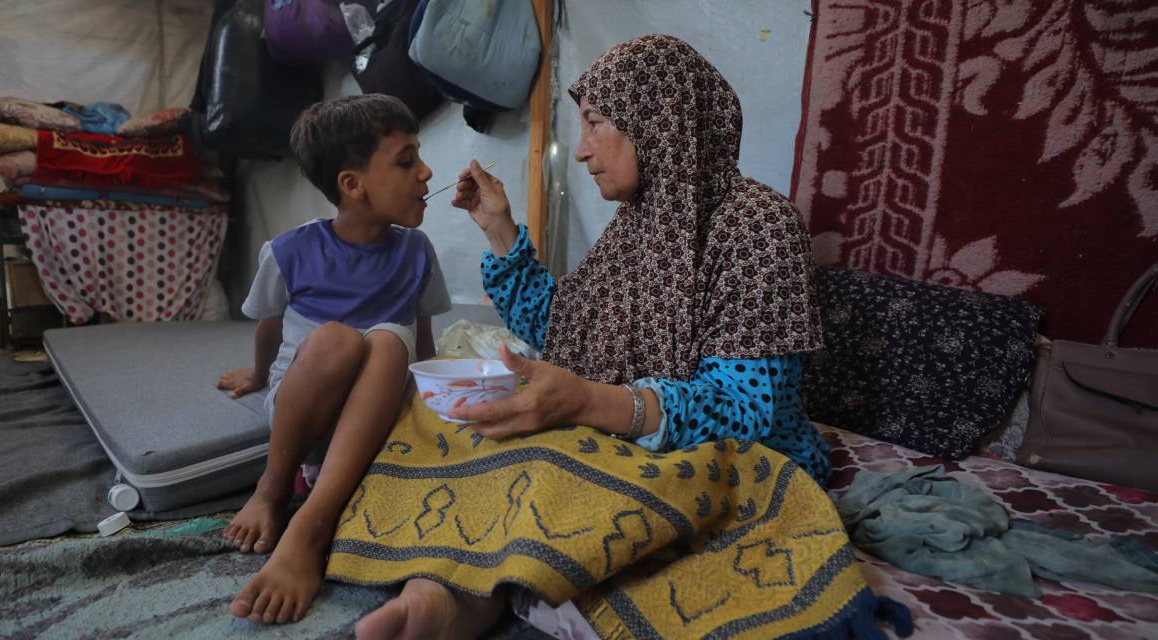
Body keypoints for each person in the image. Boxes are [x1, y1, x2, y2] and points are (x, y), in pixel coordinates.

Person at [348, 35, 856, 640]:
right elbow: (563, 331)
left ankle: (465, 599)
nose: (584, 149)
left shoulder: (757, 227)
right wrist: (499, 229)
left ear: (658, 120)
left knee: (560, 459)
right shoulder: (636, 227)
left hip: (733, 455)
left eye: (595, 123)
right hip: (624, 432)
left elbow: (747, 411)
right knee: (451, 421)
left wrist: (590, 402)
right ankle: (447, 590)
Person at [215, 94, 452, 625]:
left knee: (389, 341)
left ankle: (310, 526)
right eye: (406, 160)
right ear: (352, 184)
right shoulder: (289, 250)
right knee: (336, 341)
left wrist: (437, 407)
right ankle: (275, 486)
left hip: (377, 415)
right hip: (306, 413)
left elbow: (424, 343)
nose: (426, 172)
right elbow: (271, 326)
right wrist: (259, 375)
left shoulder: (416, 251)